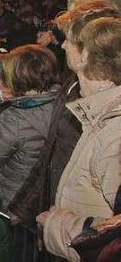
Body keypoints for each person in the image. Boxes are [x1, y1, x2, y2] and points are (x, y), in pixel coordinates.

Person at [8, 1, 120, 228]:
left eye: (68, 40)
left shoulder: (112, 124)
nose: (63, 46)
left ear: (87, 49)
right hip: (56, 215)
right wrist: (24, 207)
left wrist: (65, 229)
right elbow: (49, 156)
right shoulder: (69, 89)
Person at [38, 17, 121, 261]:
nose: (62, 46)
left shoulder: (114, 135)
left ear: (88, 59)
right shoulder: (99, 117)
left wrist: (58, 225)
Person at [0, 45, 59, 206]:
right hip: (42, 193)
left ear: (18, 75)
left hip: (14, 198)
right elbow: (23, 99)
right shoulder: (59, 97)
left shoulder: (17, 118)